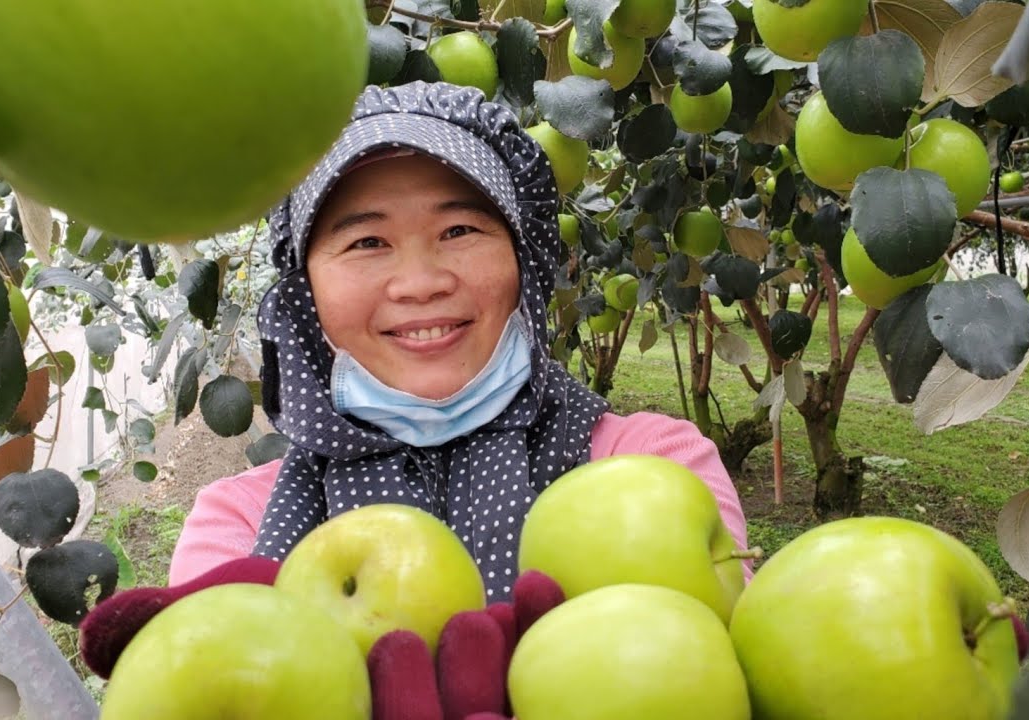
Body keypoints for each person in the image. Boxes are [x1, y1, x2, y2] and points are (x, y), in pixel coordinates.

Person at [167, 80, 749, 600]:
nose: (421, 284)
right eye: (367, 242)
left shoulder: (650, 469)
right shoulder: (240, 526)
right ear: (305, 295)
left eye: (460, 230)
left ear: (526, 262)